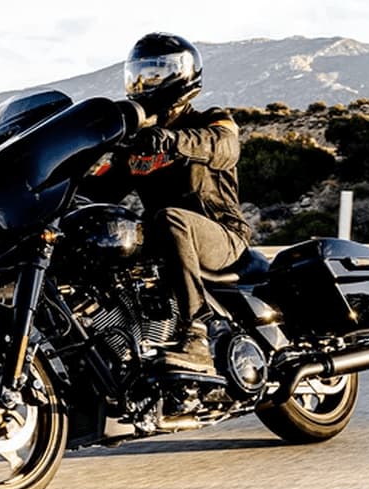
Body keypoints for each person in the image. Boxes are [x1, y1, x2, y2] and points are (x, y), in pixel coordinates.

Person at [85, 32, 251, 373]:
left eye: (157, 72)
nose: (147, 81)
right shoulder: (139, 143)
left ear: (183, 73)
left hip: (223, 235)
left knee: (169, 218)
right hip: (167, 236)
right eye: (142, 72)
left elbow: (224, 146)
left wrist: (173, 141)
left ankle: (197, 334)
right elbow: (102, 190)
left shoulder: (210, 121)